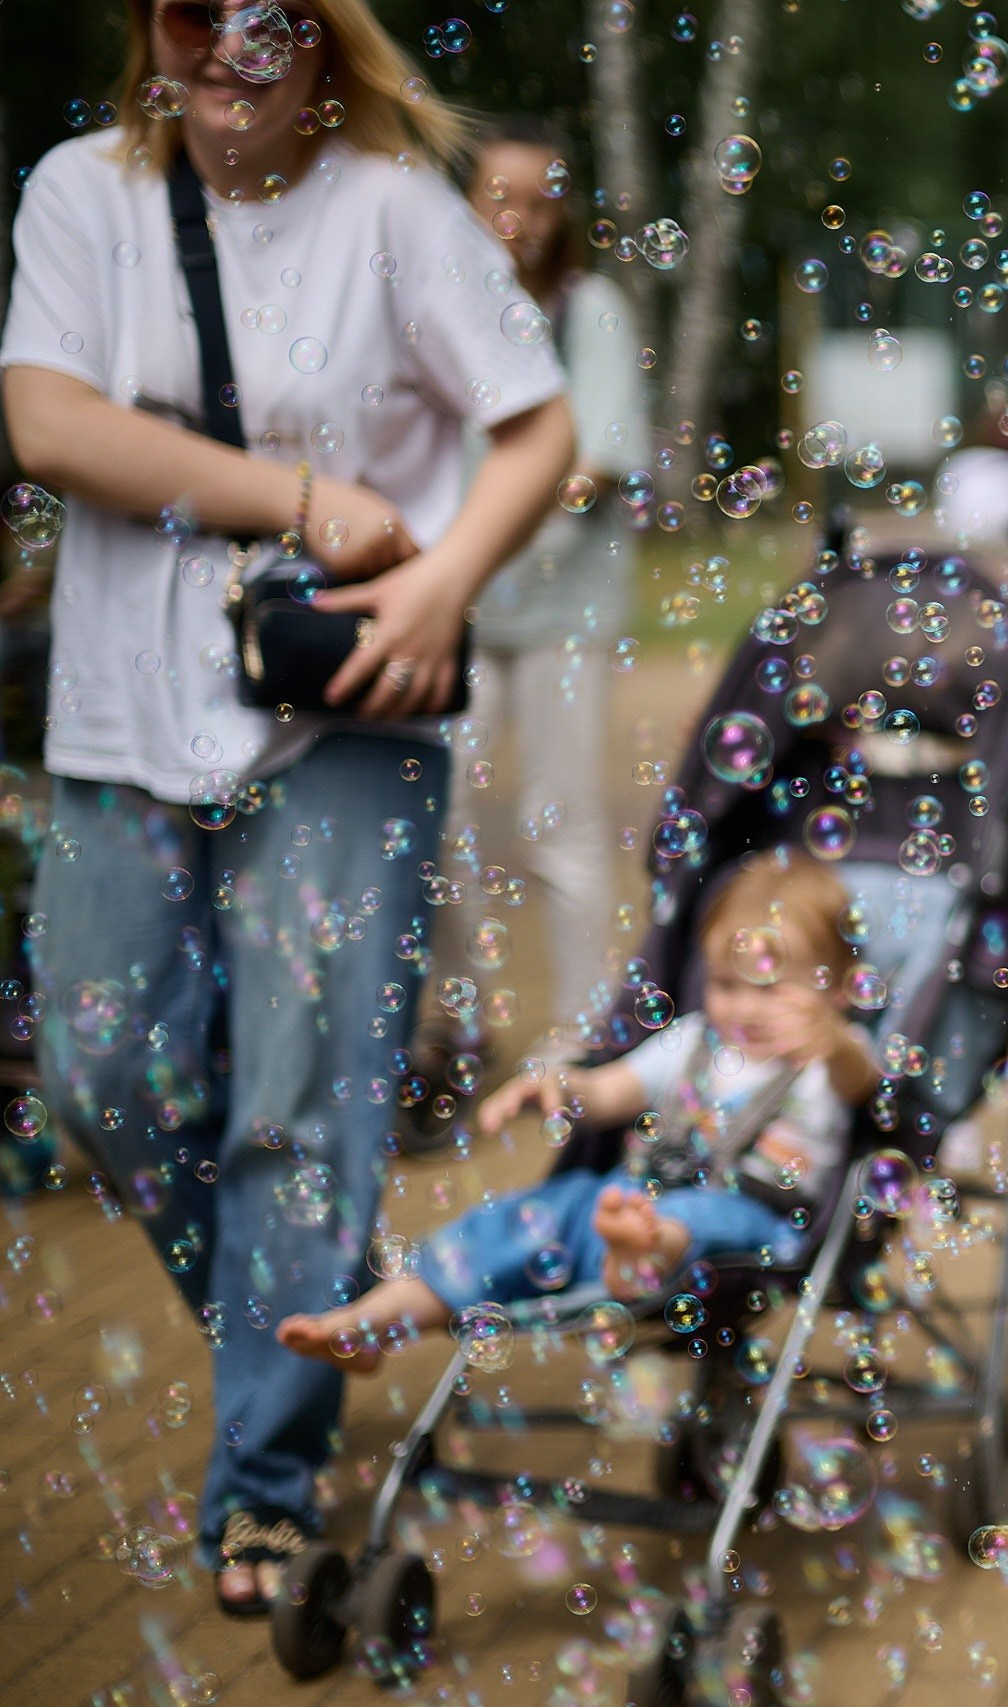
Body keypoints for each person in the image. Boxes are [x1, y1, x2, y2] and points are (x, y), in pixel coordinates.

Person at [2, 0, 574, 1614]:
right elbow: (48, 424)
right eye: (194, 12)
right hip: (123, 719)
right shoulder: (83, 194)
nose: (227, 50)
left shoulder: (395, 211)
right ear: (151, 31)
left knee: (299, 1115)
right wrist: (306, 500)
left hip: (344, 717)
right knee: (100, 1068)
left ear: (325, 38)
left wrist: (445, 584)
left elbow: (538, 426)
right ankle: (304, 1316)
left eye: (269, 18)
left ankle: (266, 1483)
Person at [275, 854, 879, 1365]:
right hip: (628, 1200)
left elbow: (866, 1088)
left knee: (693, 1215)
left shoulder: (831, 1057)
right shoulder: (695, 1040)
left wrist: (834, 1039)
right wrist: (557, 1087)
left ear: (838, 988)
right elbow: (611, 1091)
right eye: (726, 984)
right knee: (526, 1216)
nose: (744, 1007)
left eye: (769, 986)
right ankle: (376, 1323)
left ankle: (639, 1254)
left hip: (755, 1220)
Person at [454, 117, 646, 1053]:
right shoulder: (444, 308)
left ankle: (580, 1030)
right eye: (498, 197)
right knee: (437, 805)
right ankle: (458, 1018)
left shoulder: (587, 310)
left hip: (561, 608)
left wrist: (487, 534)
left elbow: (599, 461)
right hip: (455, 605)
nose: (517, 220)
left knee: (560, 820)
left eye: (538, 202)